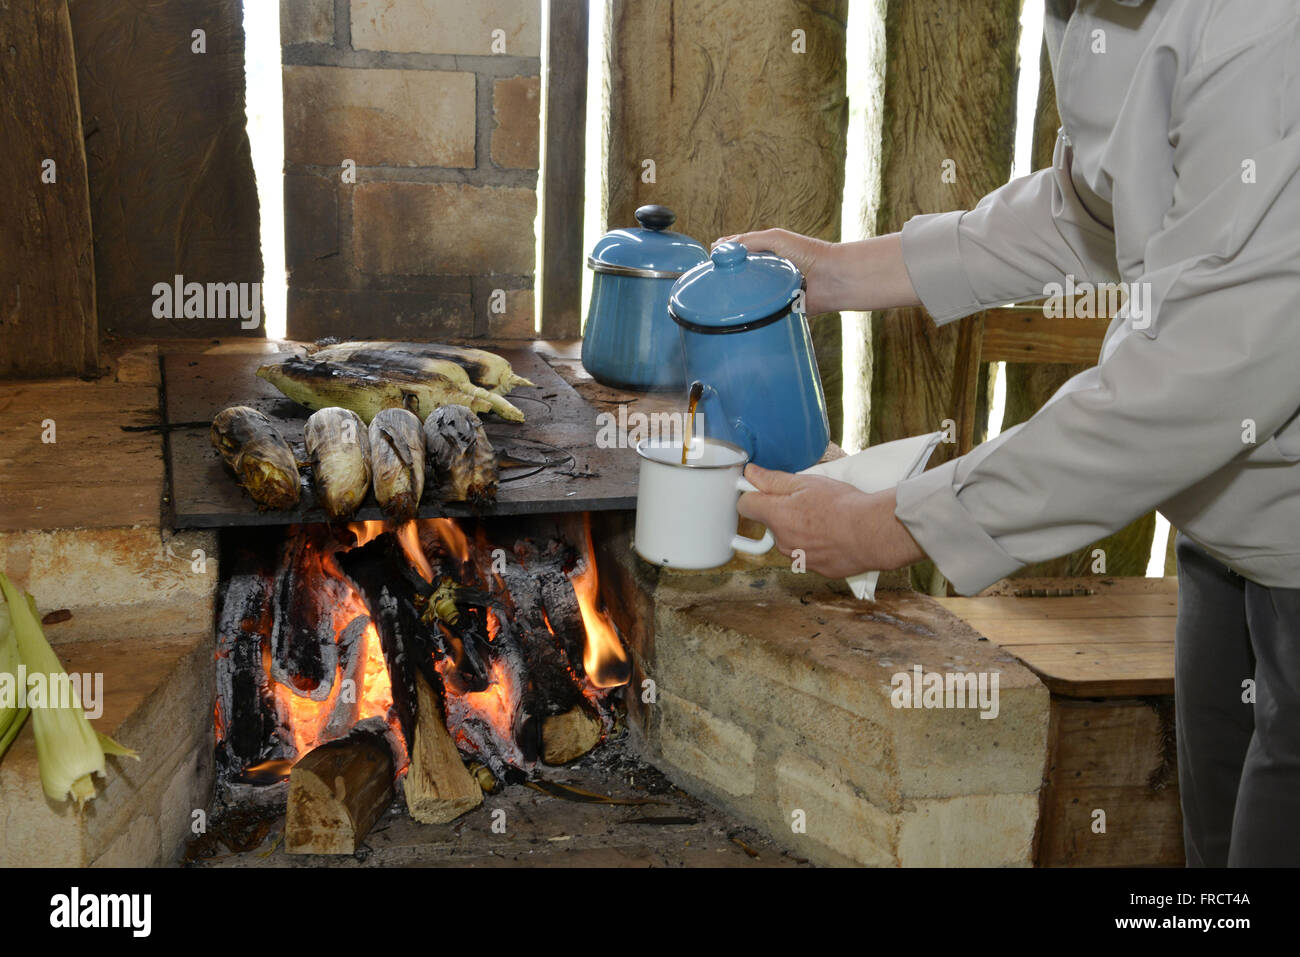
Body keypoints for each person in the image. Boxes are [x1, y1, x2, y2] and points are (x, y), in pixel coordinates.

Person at [723, 0, 1300, 867]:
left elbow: (1192, 378)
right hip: (1229, 528)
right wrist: (840, 272)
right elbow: (1088, 210)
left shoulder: (1264, 32)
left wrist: (881, 523)